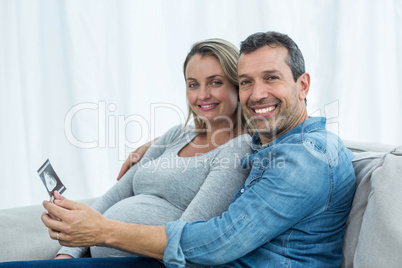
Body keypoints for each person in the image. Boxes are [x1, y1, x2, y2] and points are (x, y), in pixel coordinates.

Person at [39, 31, 356, 268]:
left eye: (271, 78)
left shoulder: (306, 156)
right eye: (247, 81)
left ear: (303, 85)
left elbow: (217, 242)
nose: (257, 93)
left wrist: (102, 231)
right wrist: (159, 144)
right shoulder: (270, 142)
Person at [0, 39, 253, 268]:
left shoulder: (237, 149)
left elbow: (186, 238)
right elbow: (114, 196)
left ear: (237, 85)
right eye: (193, 84)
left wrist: (97, 234)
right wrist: (66, 255)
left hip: (145, 261)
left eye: (215, 82)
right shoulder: (177, 135)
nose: (202, 95)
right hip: (96, 251)